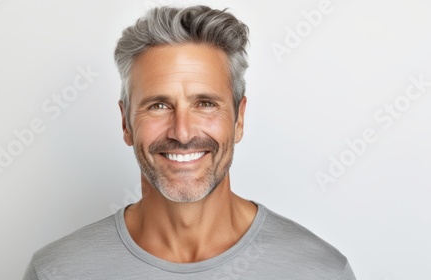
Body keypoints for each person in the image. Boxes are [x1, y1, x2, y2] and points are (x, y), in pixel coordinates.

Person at [23, 5, 356, 279]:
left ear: (239, 119)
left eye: (206, 104)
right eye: (158, 105)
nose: (182, 133)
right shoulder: (56, 271)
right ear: (125, 122)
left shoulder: (320, 271)